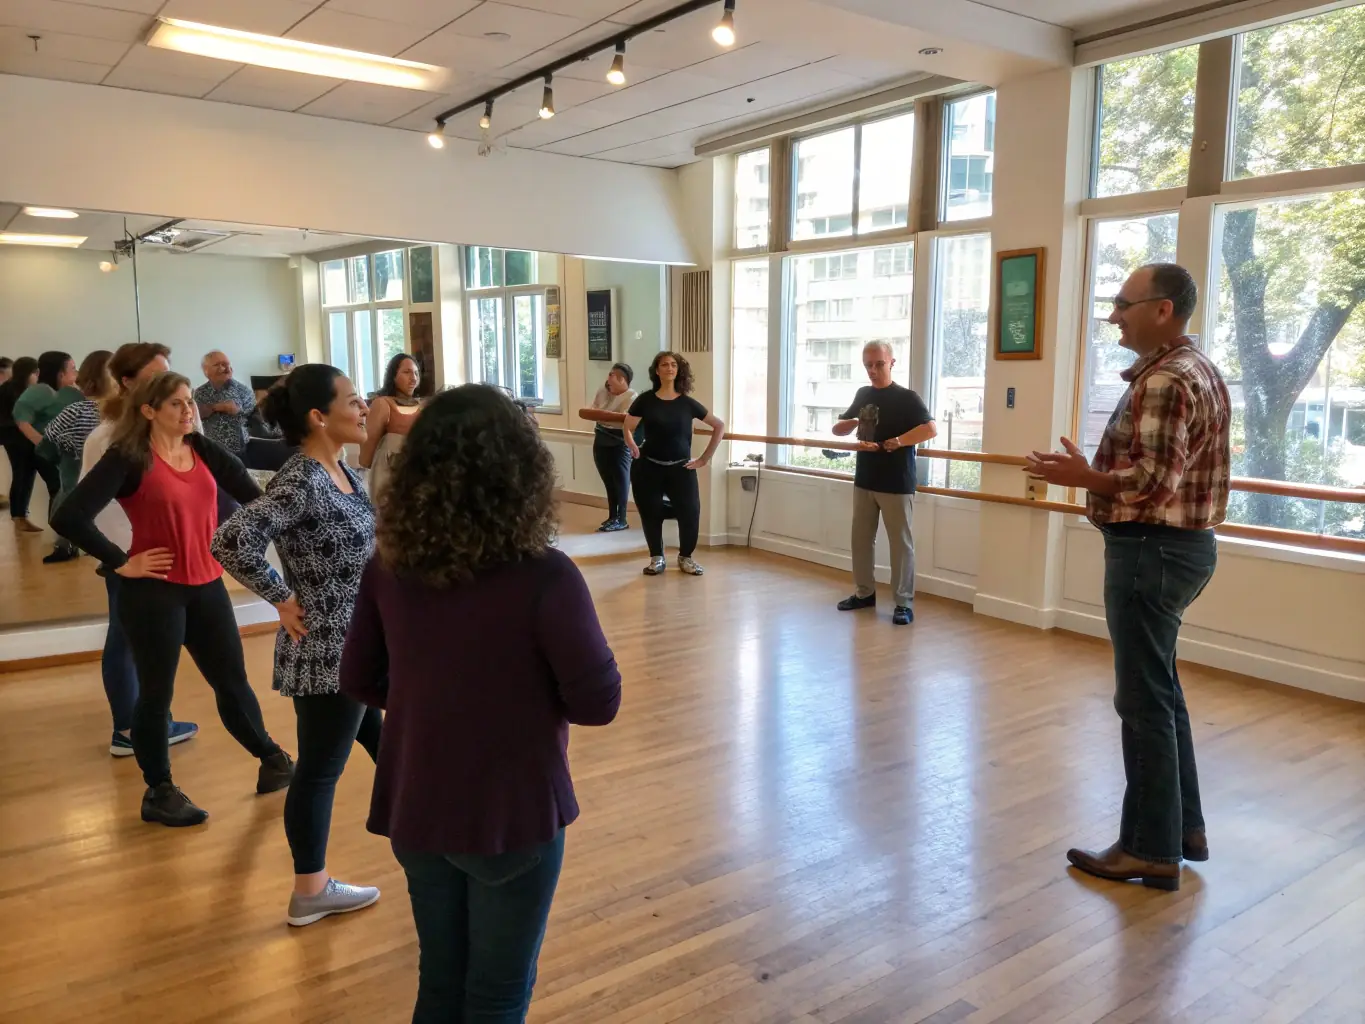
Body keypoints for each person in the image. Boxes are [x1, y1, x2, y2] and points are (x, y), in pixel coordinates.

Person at [340, 384, 621, 1022]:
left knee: (440, 980)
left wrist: (435, 700)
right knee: (495, 993)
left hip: (419, 803)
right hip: (510, 810)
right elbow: (597, 702)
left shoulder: (389, 566)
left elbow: (359, 678)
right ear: (521, 471)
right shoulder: (546, 575)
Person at [1025, 263, 1230, 892]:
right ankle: (1181, 829)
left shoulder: (1167, 380)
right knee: (1161, 692)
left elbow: (1150, 484)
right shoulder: (1200, 369)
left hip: (1152, 552)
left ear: (1162, 310)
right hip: (1180, 550)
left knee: (1142, 702)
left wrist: (1084, 478)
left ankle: (1148, 850)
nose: (1113, 314)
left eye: (1123, 303)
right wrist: (1093, 473)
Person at [52, 371, 294, 827]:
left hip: (207, 586)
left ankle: (273, 758)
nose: (190, 411)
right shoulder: (129, 458)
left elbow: (254, 497)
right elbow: (69, 515)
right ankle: (159, 791)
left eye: (190, 403)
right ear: (148, 411)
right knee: (156, 695)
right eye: (177, 405)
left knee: (233, 683)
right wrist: (120, 560)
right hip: (153, 593)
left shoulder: (201, 448)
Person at [213, 365, 383, 927]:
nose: (364, 409)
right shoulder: (302, 477)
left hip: (356, 642)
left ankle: (444, 834)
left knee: (391, 745)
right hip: (327, 651)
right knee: (319, 771)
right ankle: (310, 889)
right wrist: (281, 598)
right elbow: (232, 539)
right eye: (354, 401)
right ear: (318, 416)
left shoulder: (342, 471)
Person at [79, 343, 199, 757]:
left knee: (139, 639)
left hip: (149, 553)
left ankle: (146, 723)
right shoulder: (111, 437)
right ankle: (131, 729)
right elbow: (93, 506)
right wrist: (122, 559)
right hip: (132, 555)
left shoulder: (153, 431)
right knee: (127, 639)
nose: (165, 383)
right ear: (129, 384)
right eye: (154, 376)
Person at [831, 341, 937, 626]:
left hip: (897, 481)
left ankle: (903, 603)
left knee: (900, 544)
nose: (873, 370)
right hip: (865, 479)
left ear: (891, 362)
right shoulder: (863, 394)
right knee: (861, 539)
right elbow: (838, 427)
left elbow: (930, 428)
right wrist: (853, 422)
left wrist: (900, 441)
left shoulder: (907, 398)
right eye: (868, 365)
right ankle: (864, 593)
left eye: (878, 364)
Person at [623, 352, 725, 577]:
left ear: (678, 370)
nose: (669, 368)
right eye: (664, 365)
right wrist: (632, 444)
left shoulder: (687, 403)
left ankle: (686, 557)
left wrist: (704, 459)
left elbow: (719, 426)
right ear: (657, 371)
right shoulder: (645, 400)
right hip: (649, 466)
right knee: (650, 513)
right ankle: (656, 557)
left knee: (690, 512)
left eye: (673, 365)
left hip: (681, 467)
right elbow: (627, 426)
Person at [41, 350, 114, 563]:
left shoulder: (74, 411)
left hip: (73, 479)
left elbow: (47, 446)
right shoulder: (122, 412)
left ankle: (67, 546)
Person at [8, 352, 74, 534]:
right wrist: (44, 444)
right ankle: (61, 533)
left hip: (50, 448)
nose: (75, 374)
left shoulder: (55, 391)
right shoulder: (39, 391)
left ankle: (63, 532)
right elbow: (21, 419)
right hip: (32, 446)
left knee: (59, 486)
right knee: (54, 485)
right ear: (60, 373)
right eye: (72, 369)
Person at [359, 353, 422, 502]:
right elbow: (365, 458)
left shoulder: (423, 407)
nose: (413, 378)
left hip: (417, 482)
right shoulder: (383, 404)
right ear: (393, 376)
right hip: (389, 483)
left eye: (416, 373)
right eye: (406, 372)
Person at [587, 363, 637, 532]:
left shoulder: (631, 396)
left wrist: (603, 416)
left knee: (620, 480)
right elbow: (592, 411)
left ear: (621, 379)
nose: (608, 379)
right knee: (608, 481)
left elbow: (625, 419)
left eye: (611, 375)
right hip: (601, 438)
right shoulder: (603, 391)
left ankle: (621, 518)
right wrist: (605, 416)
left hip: (619, 442)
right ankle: (612, 516)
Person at [1, 357, 41, 530]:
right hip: (17, 437)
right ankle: (19, 516)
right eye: (35, 373)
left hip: (13, 436)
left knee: (22, 474)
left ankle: (19, 516)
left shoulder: (9, 388)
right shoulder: (18, 391)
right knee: (23, 474)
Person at [194, 350, 256, 456]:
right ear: (206, 370)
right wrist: (216, 407)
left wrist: (237, 411)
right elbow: (195, 415)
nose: (225, 368)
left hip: (238, 451)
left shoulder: (243, 391)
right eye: (218, 365)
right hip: (210, 450)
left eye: (227, 364)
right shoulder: (200, 392)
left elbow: (255, 420)